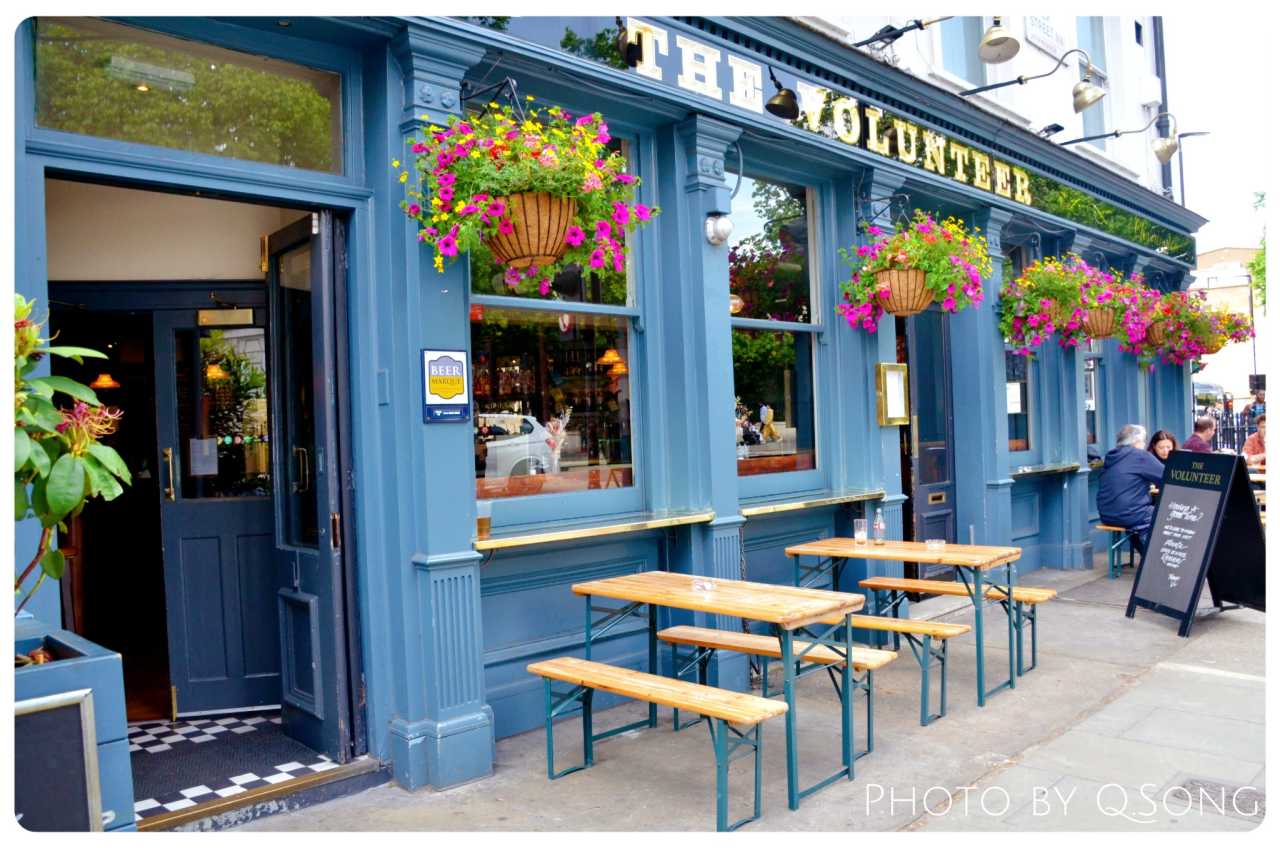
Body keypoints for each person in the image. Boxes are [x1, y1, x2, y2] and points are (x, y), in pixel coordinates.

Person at [1098, 424, 1166, 554]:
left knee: (1139, 520)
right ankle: (1154, 558)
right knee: (1166, 514)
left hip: (1106, 515)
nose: (1144, 444)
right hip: (1130, 514)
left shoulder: (1111, 456)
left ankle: (1146, 556)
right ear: (1137, 441)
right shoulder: (1140, 456)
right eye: (1143, 441)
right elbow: (1168, 477)